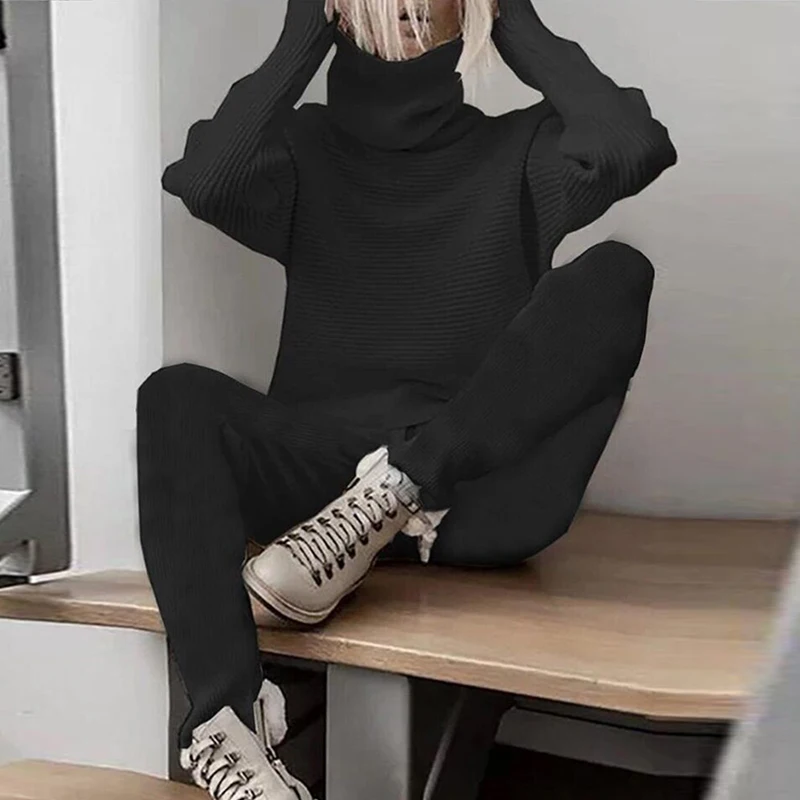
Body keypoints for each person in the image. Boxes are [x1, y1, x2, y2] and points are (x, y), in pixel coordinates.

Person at [137, 0, 677, 796]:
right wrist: (307, 28)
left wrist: (512, 18)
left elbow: (634, 147)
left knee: (618, 273)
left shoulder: (522, 150)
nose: (408, 2)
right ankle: (226, 723)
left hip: (470, 498)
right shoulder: (302, 152)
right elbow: (205, 179)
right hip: (316, 519)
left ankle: (403, 483)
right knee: (174, 396)